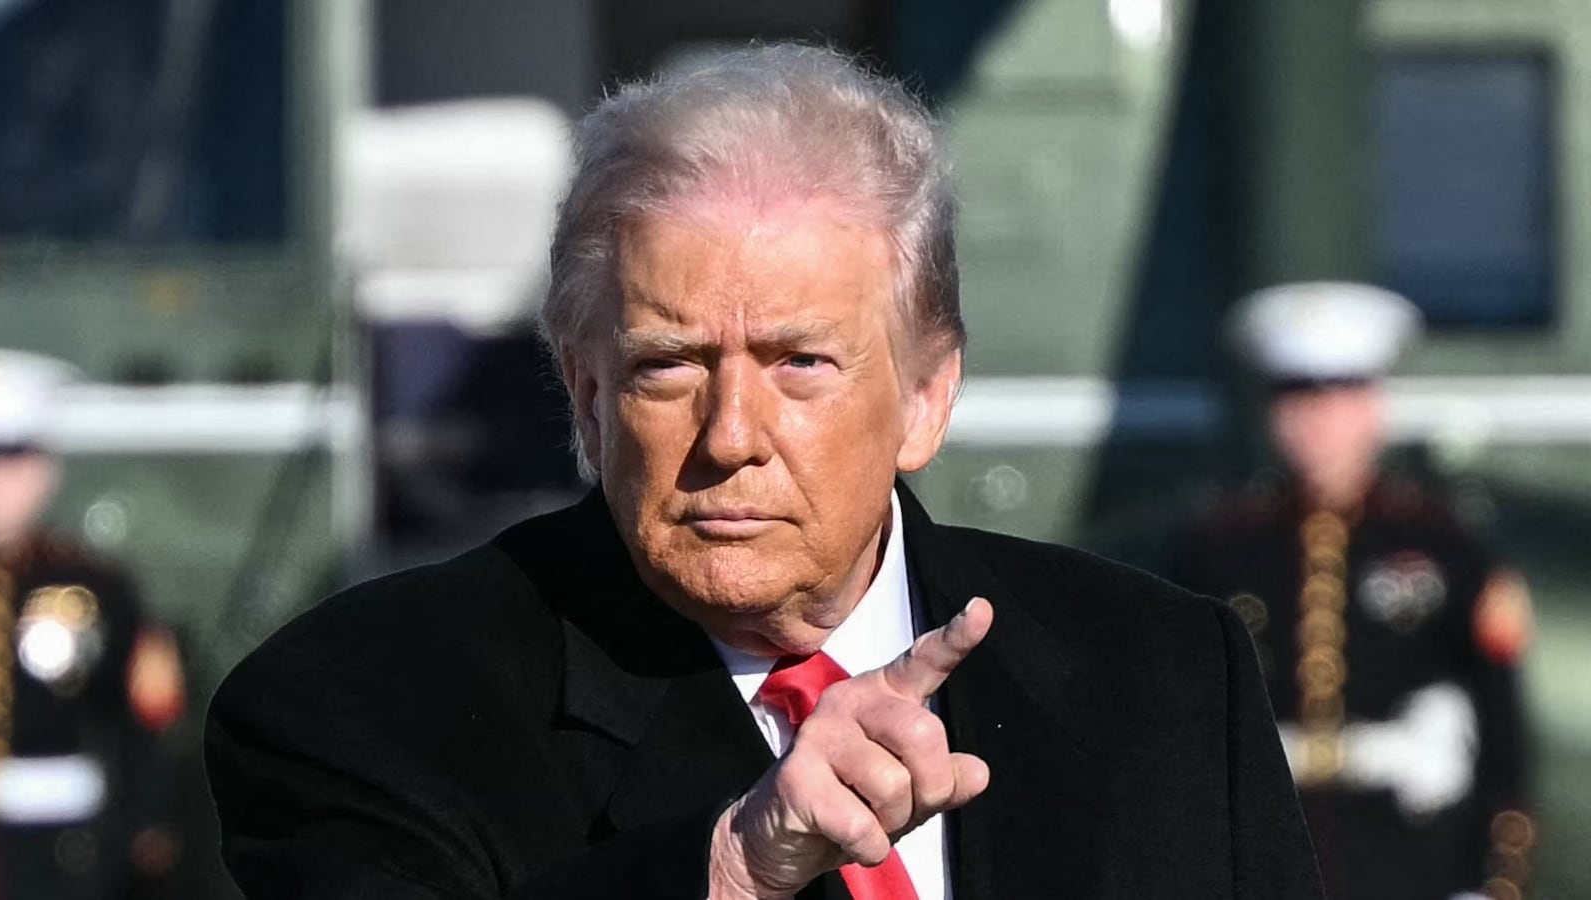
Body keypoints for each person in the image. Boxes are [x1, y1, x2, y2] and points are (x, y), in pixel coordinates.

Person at [205, 45, 1322, 899]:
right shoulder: (360, 704)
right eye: (668, 366)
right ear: (586, 397)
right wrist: (734, 866)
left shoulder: (1165, 679)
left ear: (926, 396)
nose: (730, 432)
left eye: (799, 363)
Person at [1169, 283, 1534, 900]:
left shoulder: (1443, 544)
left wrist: (1495, 880)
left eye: (1340, 396)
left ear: (1374, 408)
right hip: (1265, 860)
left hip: (1414, 860)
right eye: (1297, 398)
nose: (1319, 421)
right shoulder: (1216, 549)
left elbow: (1502, 730)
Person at [0, 350, 187, 898]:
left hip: (62, 852)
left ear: (41, 471)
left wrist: (145, 828)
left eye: (8, 459)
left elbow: (141, 716)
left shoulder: (91, 585)